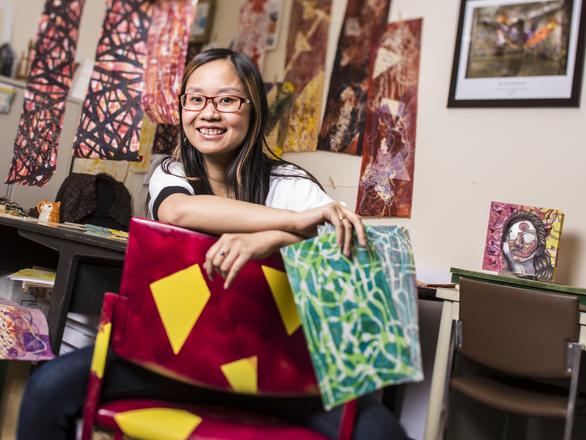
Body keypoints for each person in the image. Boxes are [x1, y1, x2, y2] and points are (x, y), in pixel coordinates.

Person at [18, 49, 408, 440]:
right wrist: (292, 224)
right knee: (46, 389)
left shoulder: (292, 184)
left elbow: (348, 241)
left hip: (274, 367)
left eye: (227, 100)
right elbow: (178, 212)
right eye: (196, 99)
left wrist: (268, 240)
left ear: (253, 110)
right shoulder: (171, 173)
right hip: (167, 357)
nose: (208, 113)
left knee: (380, 431)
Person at [500, 209, 553, 280]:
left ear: (539, 247)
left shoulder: (546, 278)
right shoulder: (502, 273)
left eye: (528, 237)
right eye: (512, 235)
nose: (518, 243)